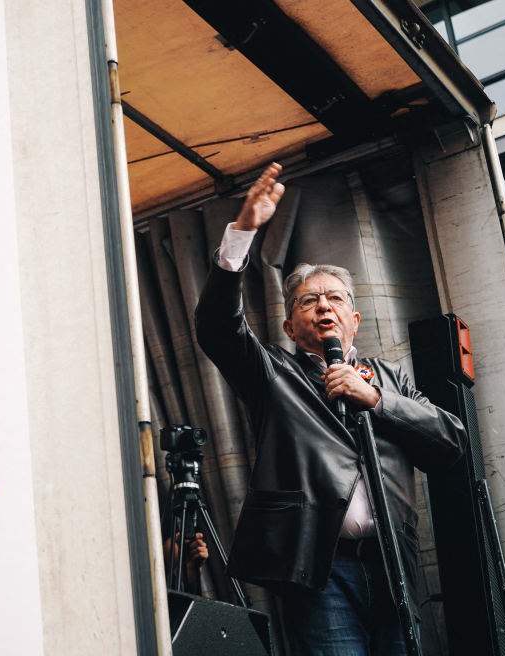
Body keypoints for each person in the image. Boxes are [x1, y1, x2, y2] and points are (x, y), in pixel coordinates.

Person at [194, 162, 466, 655]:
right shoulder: (272, 373)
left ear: (354, 319)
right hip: (318, 566)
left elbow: (451, 442)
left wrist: (378, 402)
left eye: (335, 298)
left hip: (395, 564)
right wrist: (244, 233)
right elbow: (217, 328)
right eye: (307, 301)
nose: (323, 307)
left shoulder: (389, 379)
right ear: (289, 326)